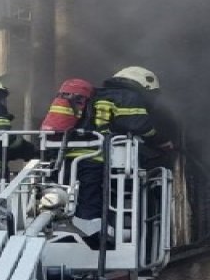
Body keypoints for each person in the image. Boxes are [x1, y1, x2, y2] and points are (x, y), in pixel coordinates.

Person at [69, 66, 174, 249]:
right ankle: (94, 233)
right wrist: (161, 141)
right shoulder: (128, 96)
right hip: (100, 157)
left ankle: (87, 228)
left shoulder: (95, 95)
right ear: (143, 85)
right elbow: (138, 125)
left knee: (79, 194)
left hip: (73, 155)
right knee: (95, 194)